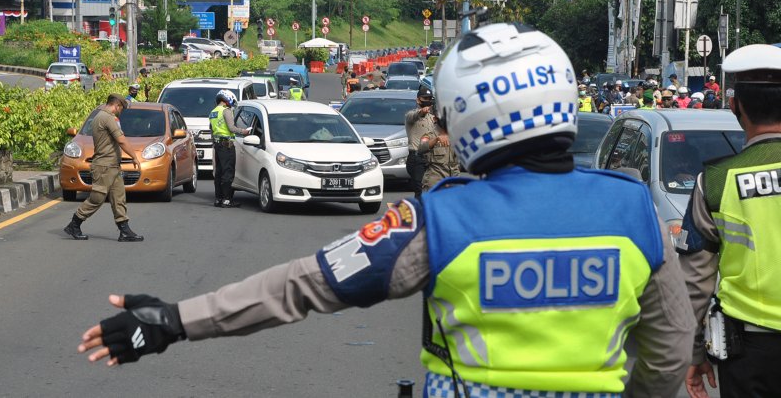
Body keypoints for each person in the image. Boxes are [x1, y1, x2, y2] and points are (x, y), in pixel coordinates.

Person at [77, 24, 695, 398]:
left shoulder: (442, 220)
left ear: (469, 118)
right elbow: (670, 351)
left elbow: (305, 285)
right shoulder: (633, 210)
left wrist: (175, 320)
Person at [676, 44, 781, 398]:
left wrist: (693, 352)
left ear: (734, 104)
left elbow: (695, 282)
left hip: (749, 354)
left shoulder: (717, 181)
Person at [63, 94, 144, 242]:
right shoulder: (107, 118)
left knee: (118, 197)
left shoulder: (101, 117)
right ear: (117, 105)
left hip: (113, 166)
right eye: (121, 108)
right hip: (104, 166)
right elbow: (121, 140)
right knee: (97, 198)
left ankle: (124, 230)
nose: (121, 111)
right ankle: (74, 224)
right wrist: (134, 156)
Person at [209, 89, 250, 208]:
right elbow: (232, 128)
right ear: (227, 99)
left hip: (217, 145)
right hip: (227, 145)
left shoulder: (213, 112)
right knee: (228, 172)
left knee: (219, 172)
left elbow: (212, 130)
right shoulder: (226, 111)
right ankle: (227, 200)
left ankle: (218, 199)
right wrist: (244, 131)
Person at [404, 85, 436, 198]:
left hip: (431, 157)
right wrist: (422, 112)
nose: (427, 101)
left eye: (429, 98)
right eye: (425, 98)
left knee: (432, 188)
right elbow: (415, 115)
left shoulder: (433, 118)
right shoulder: (411, 116)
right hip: (416, 158)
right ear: (418, 100)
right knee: (420, 189)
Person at [417, 110, 460, 193]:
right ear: (435, 119)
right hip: (435, 181)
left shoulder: (456, 135)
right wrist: (436, 140)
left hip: (454, 180)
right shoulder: (429, 135)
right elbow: (421, 148)